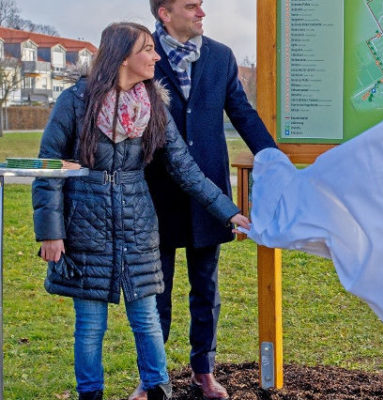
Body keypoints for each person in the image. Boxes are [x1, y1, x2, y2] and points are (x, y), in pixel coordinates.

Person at [32, 22, 250, 400]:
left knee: (147, 319)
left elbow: (185, 168)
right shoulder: (76, 101)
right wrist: (51, 232)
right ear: (122, 57)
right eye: (147, 49)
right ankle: (91, 394)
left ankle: (157, 389)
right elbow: (49, 165)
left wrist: (229, 212)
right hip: (85, 223)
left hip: (138, 225)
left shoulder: (153, 105)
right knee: (90, 324)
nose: (156, 56)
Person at [144, 1, 278, 398]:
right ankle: (153, 375)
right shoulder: (142, 54)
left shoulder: (220, 56)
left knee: (206, 287)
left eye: (202, 6)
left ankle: (204, 370)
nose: (201, 13)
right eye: (191, 6)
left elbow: (242, 112)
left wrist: (272, 159)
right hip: (157, 192)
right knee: (157, 290)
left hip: (209, 193)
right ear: (164, 14)